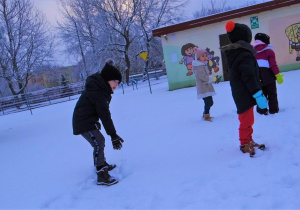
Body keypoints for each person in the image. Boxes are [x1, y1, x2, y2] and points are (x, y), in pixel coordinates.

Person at [72, 59, 124, 186]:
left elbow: (104, 114)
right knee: (99, 143)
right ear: (107, 79)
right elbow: (105, 116)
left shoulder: (100, 89)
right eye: (115, 81)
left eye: (118, 82)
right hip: (83, 122)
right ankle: (101, 174)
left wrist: (113, 135)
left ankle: (103, 164)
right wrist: (113, 135)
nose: (117, 85)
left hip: (87, 121)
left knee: (99, 142)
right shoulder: (98, 92)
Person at [223, 21, 267, 157]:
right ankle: (244, 143)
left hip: (243, 92)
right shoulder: (243, 54)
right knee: (246, 120)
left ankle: (249, 140)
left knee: (249, 120)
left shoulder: (239, 52)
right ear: (245, 38)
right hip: (244, 93)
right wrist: (257, 93)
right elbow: (248, 76)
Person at [253, 33, 284, 115]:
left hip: (258, 78)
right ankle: (273, 110)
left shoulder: (253, 53)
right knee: (272, 94)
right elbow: (273, 65)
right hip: (269, 77)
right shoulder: (269, 51)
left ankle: (261, 110)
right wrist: (278, 75)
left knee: (261, 94)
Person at [192, 47, 218, 122]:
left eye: (205, 56)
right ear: (198, 57)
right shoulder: (198, 67)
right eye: (202, 56)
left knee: (210, 102)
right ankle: (206, 116)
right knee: (208, 102)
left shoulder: (203, 65)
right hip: (203, 88)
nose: (205, 58)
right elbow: (203, 77)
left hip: (206, 86)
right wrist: (211, 78)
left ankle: (205, 114)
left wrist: (209, 74)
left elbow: (204, 75)